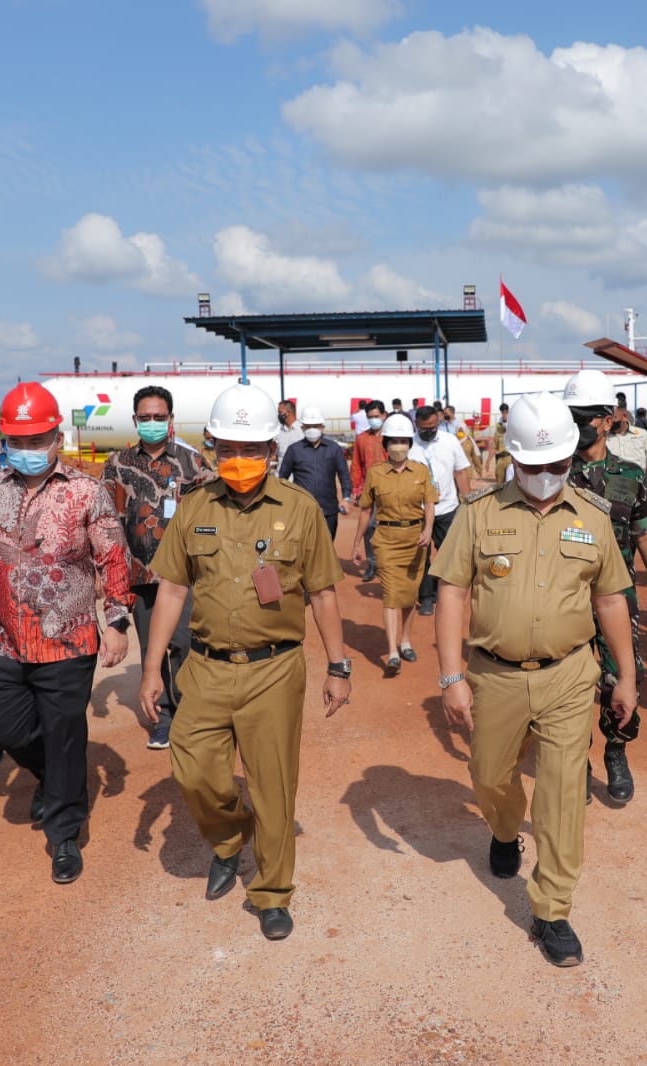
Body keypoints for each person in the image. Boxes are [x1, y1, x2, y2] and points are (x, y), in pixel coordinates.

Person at [138, 382, 353, 942]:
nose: (238, 461)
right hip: (206, 667)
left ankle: (273, 891)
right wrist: (151, 666)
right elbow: (172, 592)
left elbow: (325, 594)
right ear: (212, 447)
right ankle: (232, 836)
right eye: (227, 449)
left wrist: (339, 666)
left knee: (274, 785)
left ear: (270, 451)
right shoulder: (194, 507)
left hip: (274, 669)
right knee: (191, 768)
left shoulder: (301, 509)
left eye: (250, 450)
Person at [431, 391, 637, 968]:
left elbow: (611, 600)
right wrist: (452, 677)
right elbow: (451, 591)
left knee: (563, 791)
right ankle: (501, 831)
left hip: (570, 674)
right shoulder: (478, 515)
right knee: (490, 776)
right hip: (493, 676)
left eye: (556, 466)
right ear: (512, 459)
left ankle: (552, 909)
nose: (545, 476)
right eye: (533, 466)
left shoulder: (593, 519)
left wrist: (625, 677)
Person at [0, 381, 133, 883]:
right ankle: (54, 778)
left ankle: (65, 834)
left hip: (70, 638)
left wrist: (116, 622)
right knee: (5, 726)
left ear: (56, 438)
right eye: (18, 442)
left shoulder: (85, 492)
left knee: (64, 732)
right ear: (5, 441)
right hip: (7, 638)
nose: (27, 451)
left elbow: (114, 558)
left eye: (37, 441)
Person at [563, 370, 647, 803]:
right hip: (565, 593)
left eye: (588, 416)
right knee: (568, 679)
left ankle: (616, 750)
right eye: (573, 416)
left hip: (617, 591)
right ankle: (576, 759)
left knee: (622, 675)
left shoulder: (631, 474)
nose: (580, 424)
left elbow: (645, 533)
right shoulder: (552, 472)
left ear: (609, 420)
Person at [101, 385, 212, 750]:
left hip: (183, 574)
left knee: (183, 643)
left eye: (159, 417)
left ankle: (186, 712)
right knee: (152, 648)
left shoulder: (192, 463)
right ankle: (162, 718)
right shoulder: (117, 464)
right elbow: (108, 520)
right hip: (141, 574)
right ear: (135, 420)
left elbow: (214, 510)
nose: (152, 423)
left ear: (171, 419)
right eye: (145, 418)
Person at [350, 413, 437, 674]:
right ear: (385, 444)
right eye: (393, 441)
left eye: (403, 441)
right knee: (390, 595)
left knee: (409, 594)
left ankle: (405, 640)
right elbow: (366, 510)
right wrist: (356, 543)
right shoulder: (376, 474)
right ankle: (392, 653)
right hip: (386, 541)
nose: (398, 446)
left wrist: (429, 530)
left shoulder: (421, 471)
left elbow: (430, 505)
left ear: (410, 444)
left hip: (415, 541)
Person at [409, 404, 472, 617]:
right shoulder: (410, 446)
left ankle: (447, 594)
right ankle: (426, 597)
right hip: (418, 511)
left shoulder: (450, 441)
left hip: (447, 507)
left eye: (433, 427)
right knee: (421, 556)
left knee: (449, 553)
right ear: (416, 425)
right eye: (424, 428)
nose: (429, 431)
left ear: (438, 423)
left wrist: (468, 500)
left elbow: (461, 472)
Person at [278, 404, 352, 539]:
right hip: (301, 511)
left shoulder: (334, 449)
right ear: (302, 428)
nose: (312, 429)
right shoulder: (294, 450)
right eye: (308, 426)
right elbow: (282, 478)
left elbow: (344, 475)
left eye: (316, 426)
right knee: (303, 549)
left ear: (322, 427)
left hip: (329, 510)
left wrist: (346, 498)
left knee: (327, 549)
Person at [349, 400, 389, 581]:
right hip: (369, 489)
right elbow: (357, 464)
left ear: (384, 415)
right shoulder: (362, 439)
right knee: (368, 527)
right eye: (370, 417)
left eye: (376, 416)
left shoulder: (391, 437)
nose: (373, 420)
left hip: (391, 489)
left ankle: (389, 563)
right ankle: (372, 563)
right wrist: (356, 488)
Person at [606, 398, 647, 503]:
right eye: (609, 418)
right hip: (611, 495)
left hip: (639, 496)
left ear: (625, 416)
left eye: (615, 418)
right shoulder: (603, 437)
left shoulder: (642, 435)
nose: (611, 421)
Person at [492, 402, 512, 484]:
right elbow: (495, 443)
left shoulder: (512, 424)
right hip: (500, 457)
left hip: (510, 457)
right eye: (502, 412)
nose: (504, 414)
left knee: (510, 481)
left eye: (506, 412)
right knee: (499, 481)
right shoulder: (499, 425)